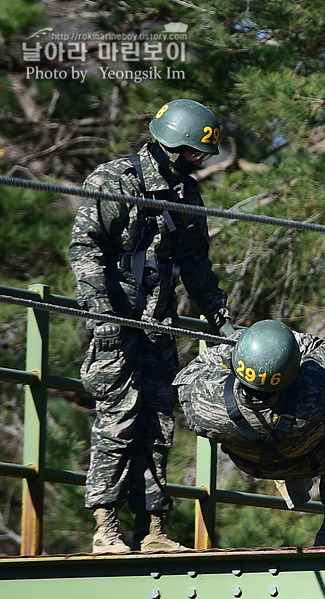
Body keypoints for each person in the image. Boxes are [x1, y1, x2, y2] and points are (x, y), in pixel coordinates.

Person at [69, 98, 233, 553]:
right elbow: (85, 250)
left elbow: (196, 266)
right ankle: (106, 527)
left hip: (158, 327)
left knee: (159, 424)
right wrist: (101, 315)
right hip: (116, 326)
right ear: (173, 145)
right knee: (118, 422)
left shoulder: (185, 196)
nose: (201, 161)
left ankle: (153, 529)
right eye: (196, 153)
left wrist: (220, 318)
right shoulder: (115, 180)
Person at [173, 319, 325, 546]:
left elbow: (196, 368)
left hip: (252, 463)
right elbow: (321, 348)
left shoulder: (204, 402)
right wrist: (282, 346)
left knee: (269, 437)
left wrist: (241, 343)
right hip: (312, 459)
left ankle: (290, 478)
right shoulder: (315, 393)